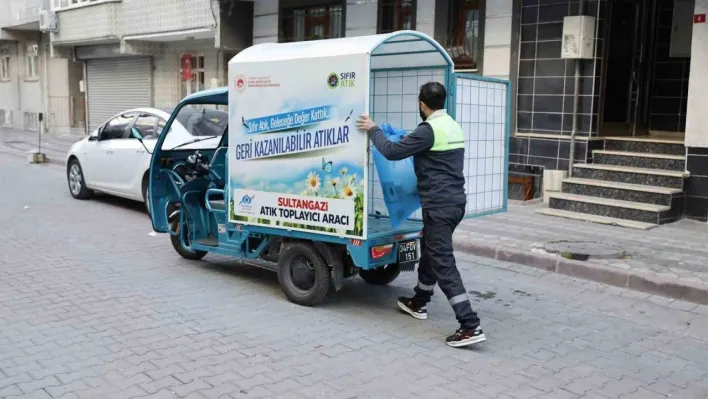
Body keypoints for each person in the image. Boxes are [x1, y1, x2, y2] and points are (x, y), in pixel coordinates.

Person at [356, 81, 485, 348]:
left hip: (438, 206)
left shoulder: (428, 130)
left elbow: (391, 152)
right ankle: (419, 301)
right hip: (455, 203)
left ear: (421, 104)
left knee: (442, 261)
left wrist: (373, 129)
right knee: (430, 248)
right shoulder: (451, 125)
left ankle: (469, 325)